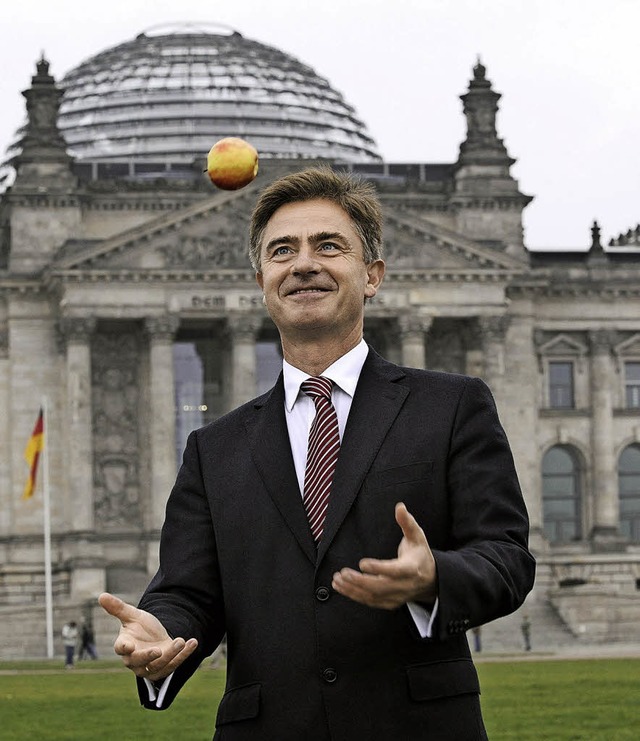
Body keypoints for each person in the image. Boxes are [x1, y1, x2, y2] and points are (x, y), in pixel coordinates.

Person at [100, 167, 536, 740]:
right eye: (283, 250)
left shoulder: (451, 406)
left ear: (372, 274)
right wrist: (162, 629)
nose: (303, 263)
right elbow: (189, 592)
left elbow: (506, 557)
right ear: (262, 280)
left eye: (328, 245)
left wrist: (434, 579)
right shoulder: (214, 447)